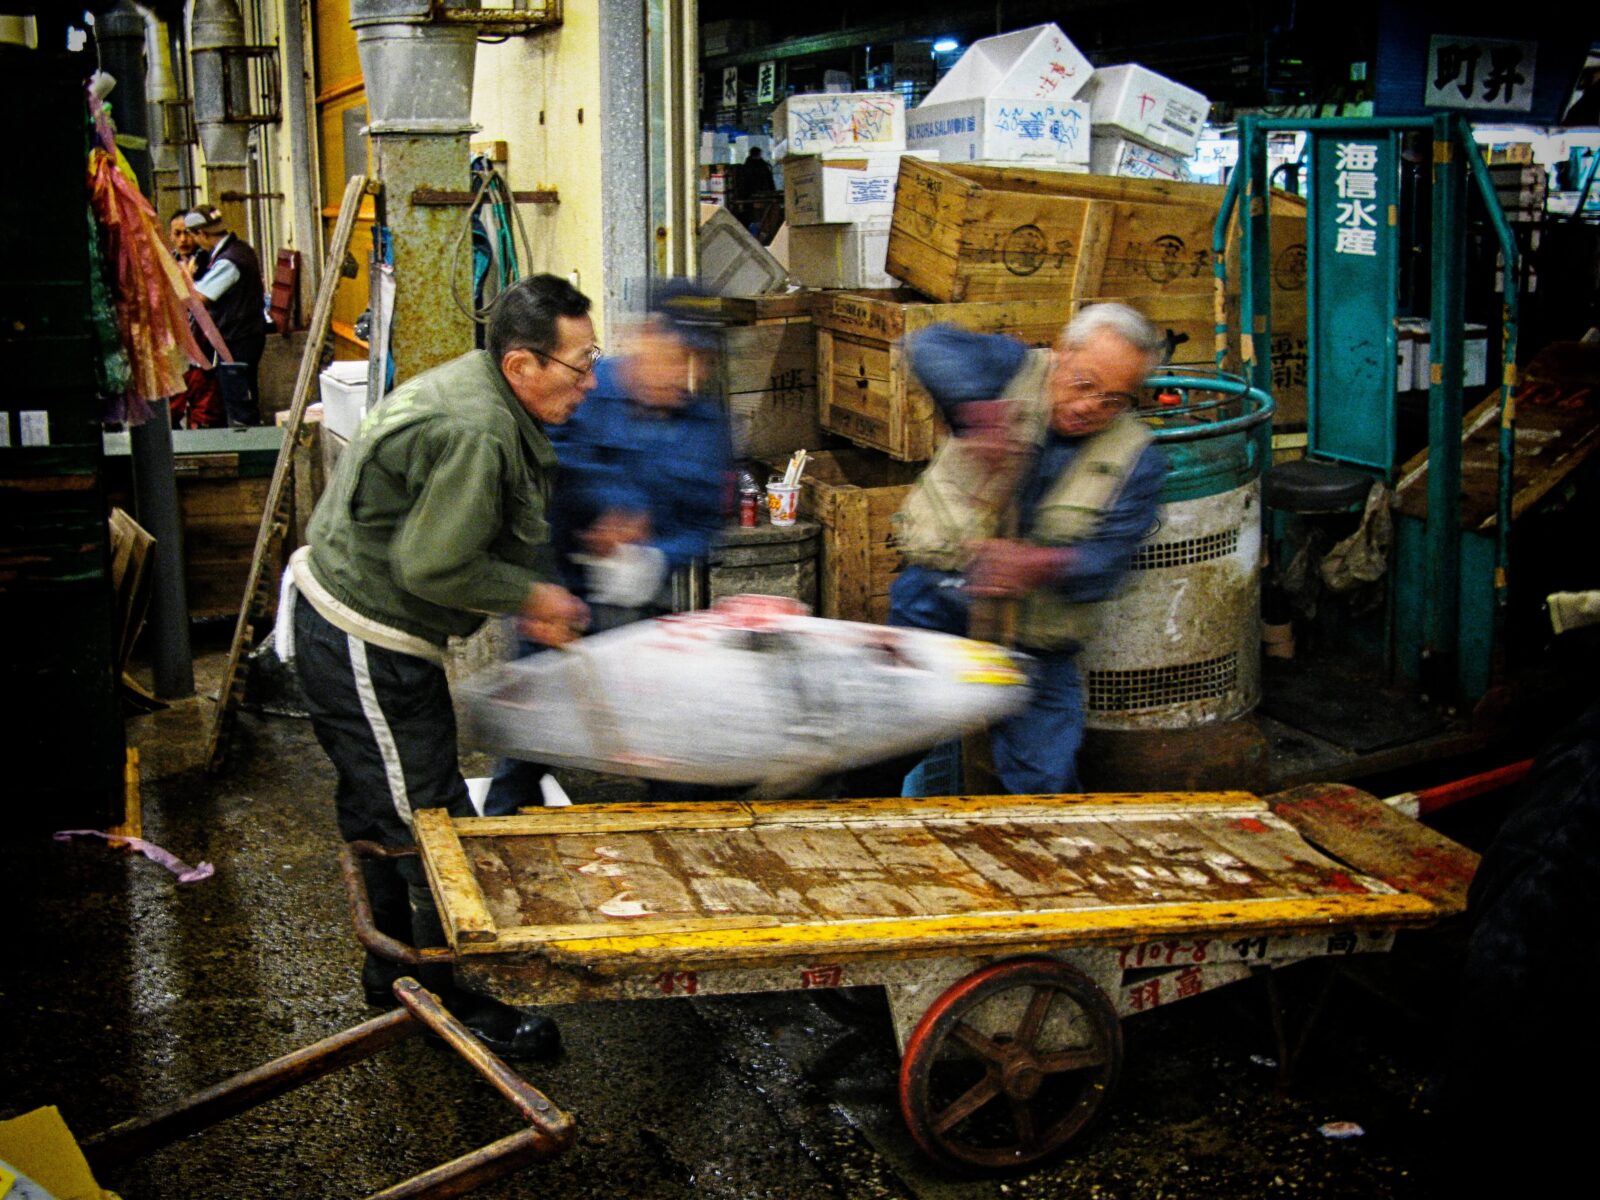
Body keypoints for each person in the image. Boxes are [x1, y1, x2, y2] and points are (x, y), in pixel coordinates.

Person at [282, 273, 596, 1058]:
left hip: (373, 631)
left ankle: (391, 975)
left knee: (383, 802)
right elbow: (431, 566)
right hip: (365, 636)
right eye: (580, 365)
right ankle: (453, 1002)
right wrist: (533, 596)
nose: (590, 383)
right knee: (429, 818)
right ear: (523, 365)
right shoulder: (480, 431)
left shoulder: (490, 396)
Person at [877, 303, 1168, 796]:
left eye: (1112, 400)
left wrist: (1039, 564)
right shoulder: (1009, 367)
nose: (1089, 407)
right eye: (1083, 383)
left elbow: (1109, 564)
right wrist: (981, 416)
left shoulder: (1139, 459)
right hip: (935, 607)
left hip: (1035, 640)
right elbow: (927, 345)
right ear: (1062, 352)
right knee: (878, 750)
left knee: (1045, 782)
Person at [483, 282, 733, 814]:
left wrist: (656, 557)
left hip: (644, 615)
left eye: (701, 360)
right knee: (529, 746)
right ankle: (493, 851)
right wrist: (610, 508)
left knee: (671, 759)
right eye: (678, 354)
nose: (688, 373)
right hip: (561, 597)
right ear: (647, 337)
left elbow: (705, 521)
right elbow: (545, 461)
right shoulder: (586, 387)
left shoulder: (707, 427)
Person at [186, 205, 266, 426]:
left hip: (237, 339)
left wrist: (187, 276)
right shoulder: (241, 249)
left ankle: (249, 450)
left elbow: (199, 298)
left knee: (239, 404)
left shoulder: (228, 261)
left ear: (201, 234)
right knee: (242, 397)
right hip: (244, 336)